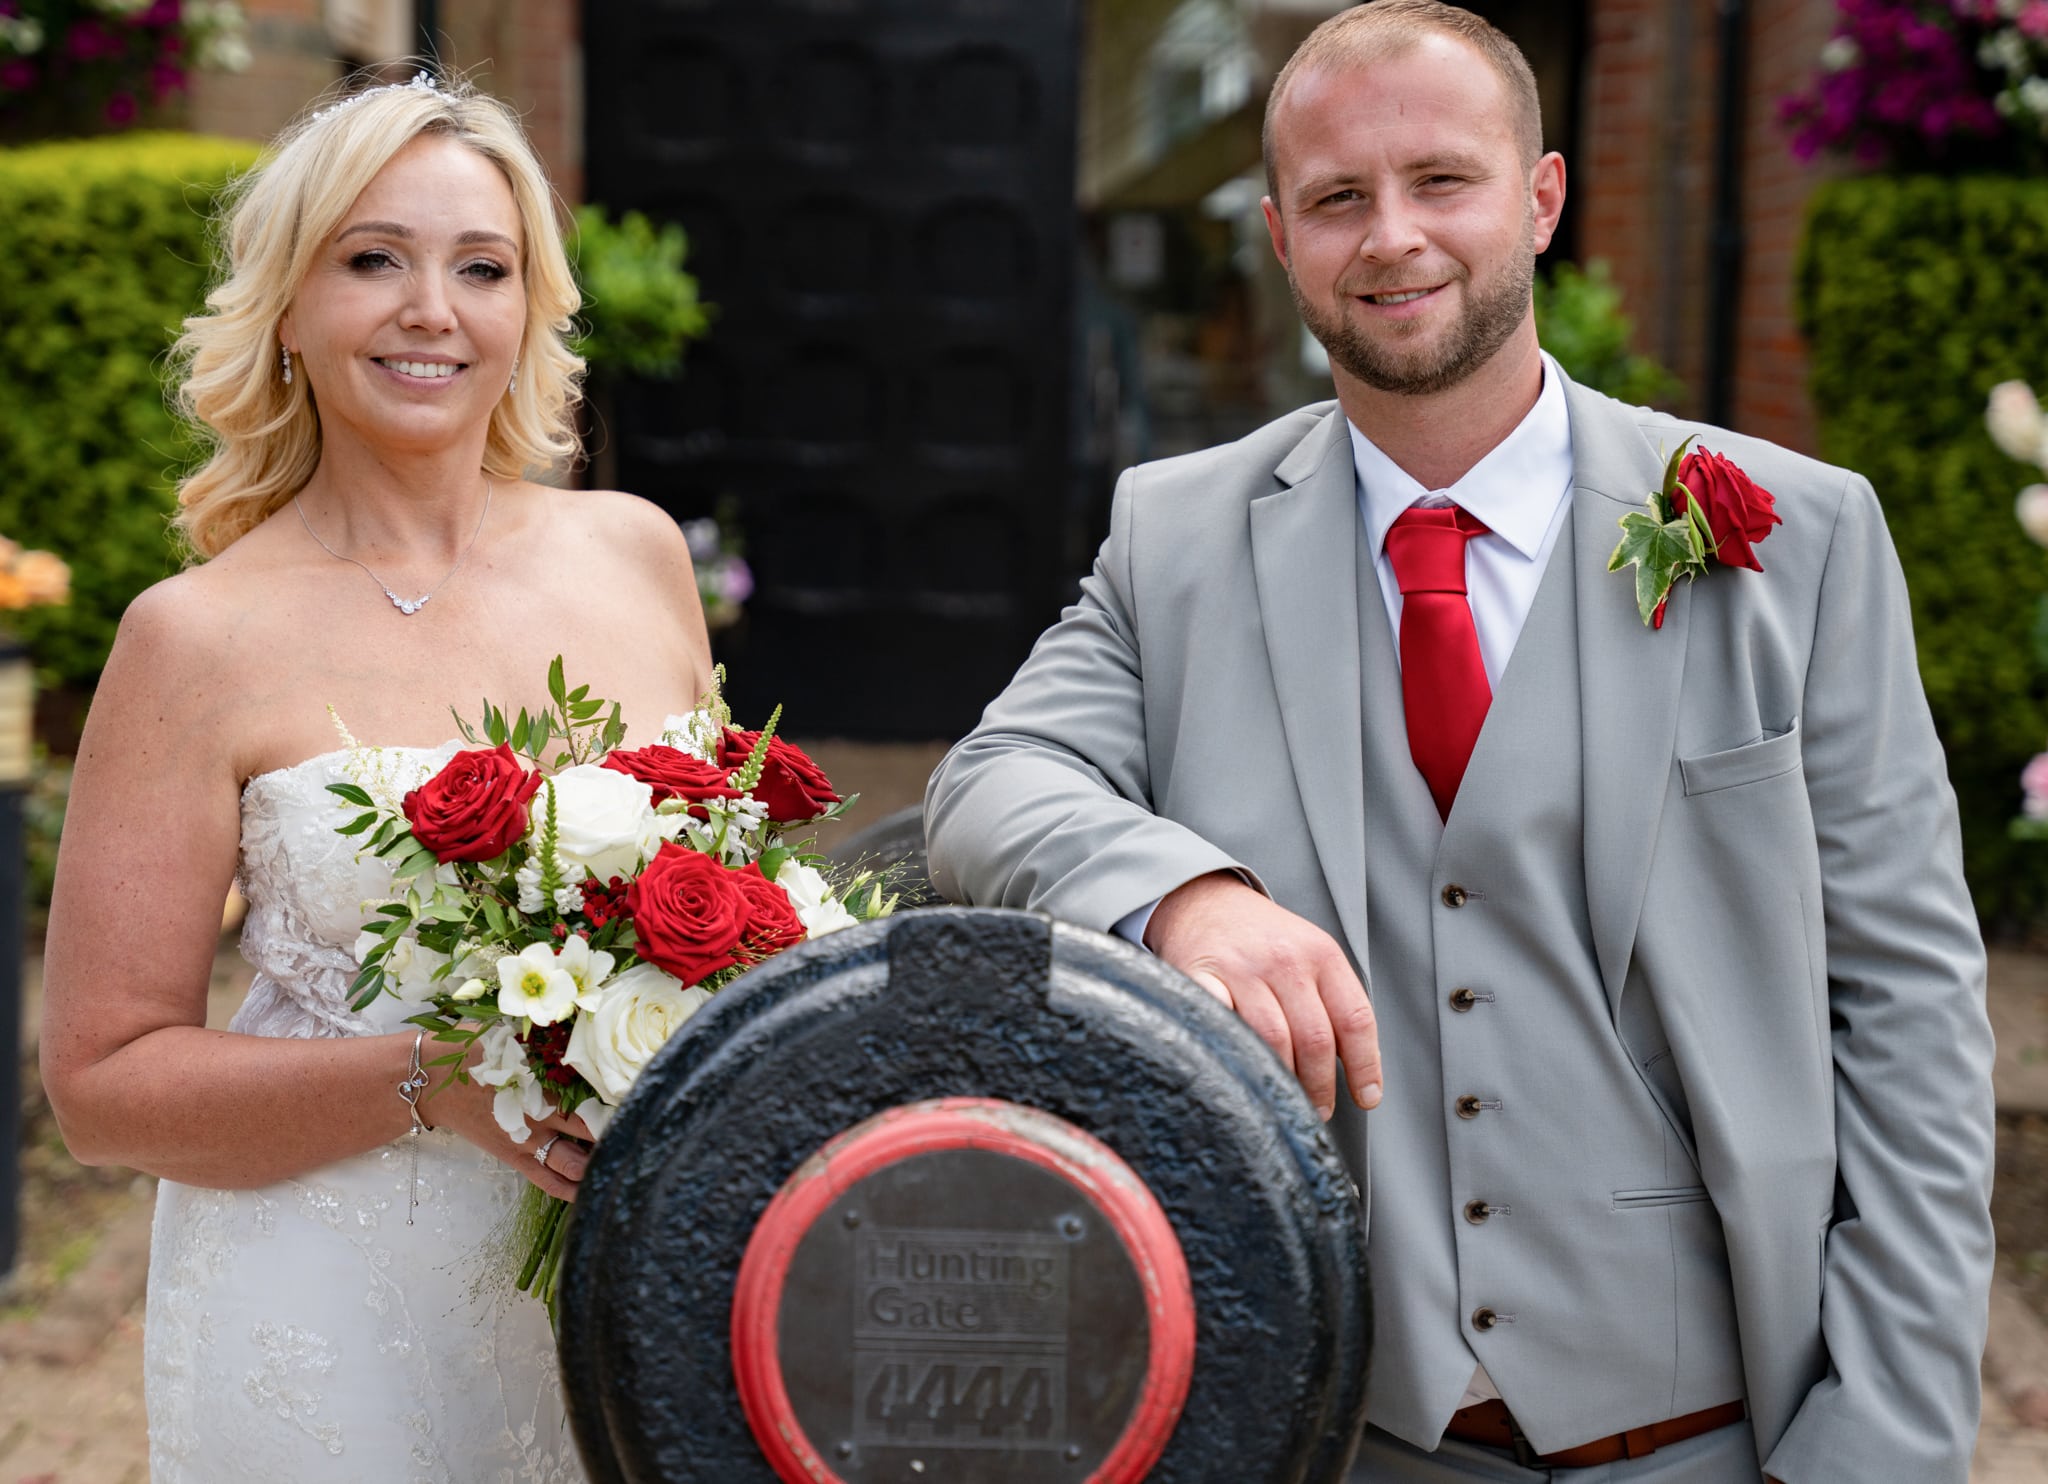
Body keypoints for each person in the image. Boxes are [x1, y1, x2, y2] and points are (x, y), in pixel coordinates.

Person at [924, 3, 1995, 1480]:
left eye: (1443, 181)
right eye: (1340, 199)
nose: (1394, 238)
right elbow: (991, 785)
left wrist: (1878, 1446)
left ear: (1543, 198)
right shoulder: (1176, 541)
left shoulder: (1795, 540)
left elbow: (1910, 1020)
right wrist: (1183, 894)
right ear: (1281, 235)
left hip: (1708, 1431)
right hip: (1343, 1431)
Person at [38, 72, 711, 1480]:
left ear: (530, 310)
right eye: (372, 260)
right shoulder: (195, 636)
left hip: (632, 1278)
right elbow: (102, 1085)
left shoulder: (637, 554)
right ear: (288, 305)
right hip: (327, 1309)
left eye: (483, 267)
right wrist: (433, 1078)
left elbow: (721, 901)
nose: (432, 311)